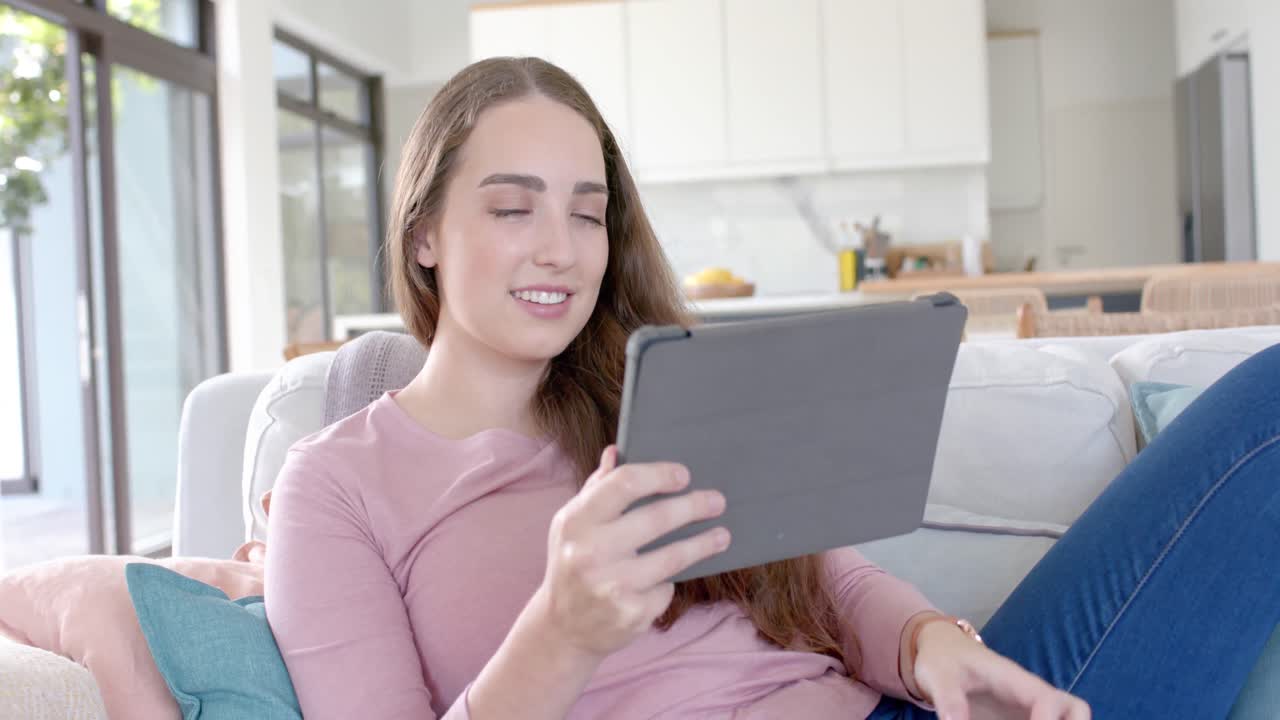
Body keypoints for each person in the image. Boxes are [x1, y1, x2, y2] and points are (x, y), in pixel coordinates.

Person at [264, 57, 1280, 720]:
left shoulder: (651, 388)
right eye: (510, 207)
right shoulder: (336, 488)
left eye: (585, 213)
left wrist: (927, 644)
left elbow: (818, 580)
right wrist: (559, 633)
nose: (558, 249)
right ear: (423, 235)